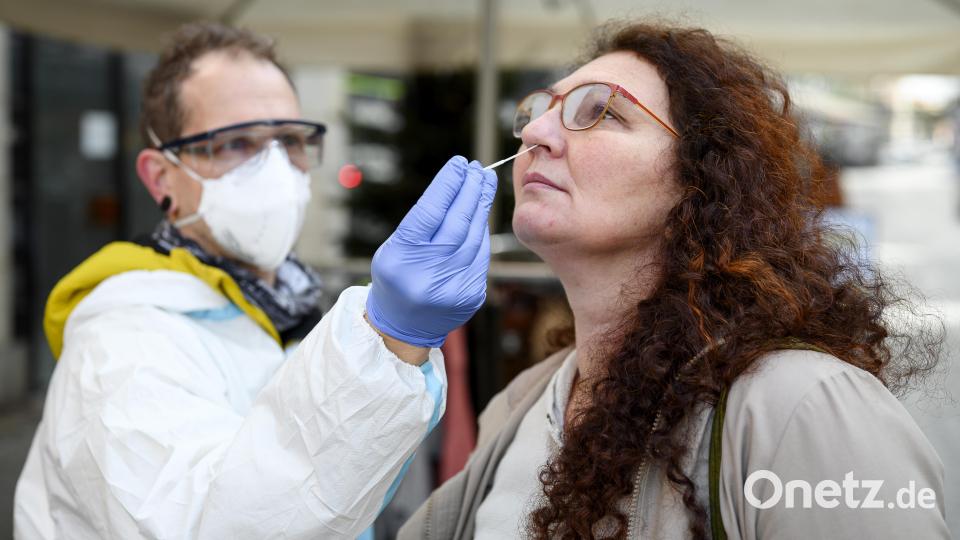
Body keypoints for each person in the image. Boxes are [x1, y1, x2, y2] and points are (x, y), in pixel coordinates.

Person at [399, 20, 948, 540]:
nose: (537, 132)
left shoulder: (801, 405)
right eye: (537, 110)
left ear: (700, 179)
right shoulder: (518, 405)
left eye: (602, 112)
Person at [14, 22, 498, 539]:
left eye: (289, 140)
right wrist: (389, 339)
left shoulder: (285, 307)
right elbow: (214, 526)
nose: (274, 167)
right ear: (161, 176)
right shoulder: (122, 342)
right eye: (235, 143)